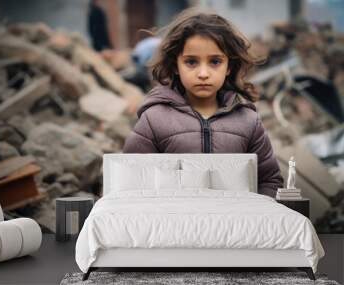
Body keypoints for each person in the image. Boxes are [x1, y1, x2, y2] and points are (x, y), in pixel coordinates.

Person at [122, 8, 284, 198]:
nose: (203, 73)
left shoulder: (248, 121)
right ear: (176, 66)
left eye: (215, 62)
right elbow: (130, 181)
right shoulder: (154, 119)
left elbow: (269, 181)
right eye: (191, 62)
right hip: (174, 224)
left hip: (233, 224)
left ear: (229, 67)